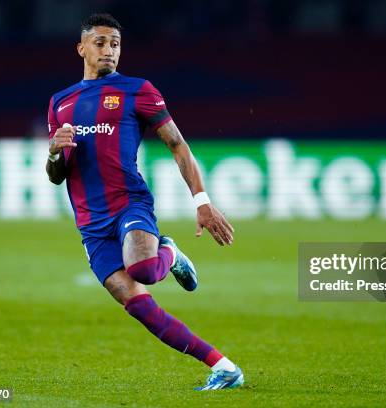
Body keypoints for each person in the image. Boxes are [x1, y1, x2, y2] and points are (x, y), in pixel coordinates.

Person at [45, 13, 243, 391]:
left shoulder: (138, 90)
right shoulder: (60, 103)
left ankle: (168, 250)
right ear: (81, 48)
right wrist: (55, 152)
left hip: (128, 204)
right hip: (90, 224)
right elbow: (56, 174)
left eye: (115, 44)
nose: (108, 51)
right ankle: (224, 367)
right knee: (138, 306)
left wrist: (202, 201)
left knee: (146, 271)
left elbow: (177, 145)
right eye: (100, 43)